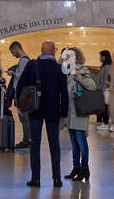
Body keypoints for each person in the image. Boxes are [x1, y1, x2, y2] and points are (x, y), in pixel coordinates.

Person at [15, 40, 70, 186]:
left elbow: (20, 86)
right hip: (53, 111)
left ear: (41, 50)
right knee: (54, 145)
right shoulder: (59, 69)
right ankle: (56, 179)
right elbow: (64, 94)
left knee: (35, 145)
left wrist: (19, 105)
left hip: (35, 110)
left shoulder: (32, 65)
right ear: (53, 51)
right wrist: (64, 114)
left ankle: (36, 178)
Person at [63, 47, 98, 181]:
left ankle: (85, 169)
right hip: (70, 113)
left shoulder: (82, 70)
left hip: (79, 111)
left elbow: (92, 86)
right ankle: (76, 168)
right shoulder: (65, 71)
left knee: (81, 142)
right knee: (73, 143)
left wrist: (78, 76)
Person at [8, 41, 32, 148]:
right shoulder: (26, 60)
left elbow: (21, 77)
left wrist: (12, 73)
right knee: (24, 118)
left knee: (23, 118)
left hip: (21, 93)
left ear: (16, 49)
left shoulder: (23, 61)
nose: (13, 55)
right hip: (22, 93)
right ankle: (28, 139)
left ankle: (27, 141)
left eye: (13, 52)